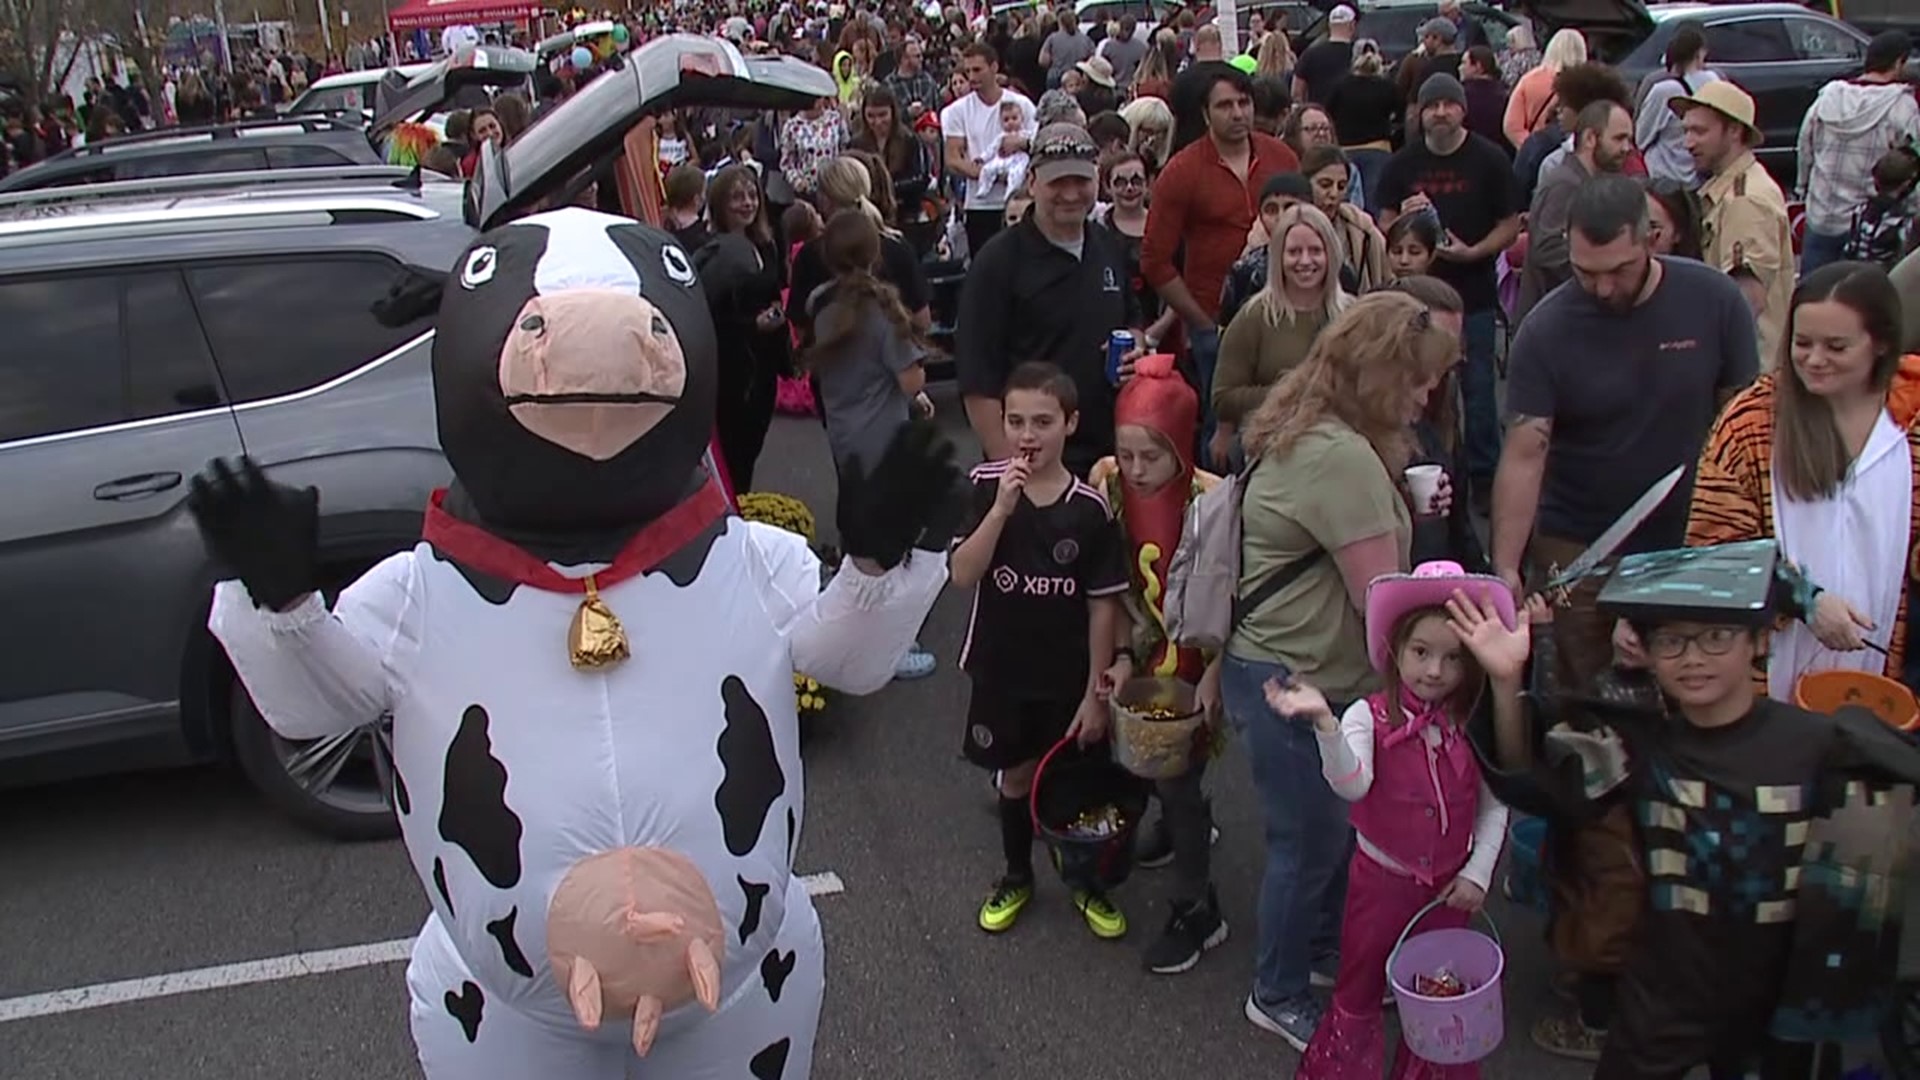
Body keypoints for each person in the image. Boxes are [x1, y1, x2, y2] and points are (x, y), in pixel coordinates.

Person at [196, 207, 956, 1079]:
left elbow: (850, 662)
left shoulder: (744, 559)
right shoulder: (423, 591)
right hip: (514, 1022)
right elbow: (311, 709)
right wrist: (283, 604)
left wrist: (877, 564)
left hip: (744, 1004)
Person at [1473, 539, 1920, 1079]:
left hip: (1775, 1007)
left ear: (1758, 641)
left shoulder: (1815, 744)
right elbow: (1537, 784)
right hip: (1663, 994)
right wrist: (1504, 683)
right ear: (1649, 651)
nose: (1693, 657)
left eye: (1716, 637)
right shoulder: (1638, 748)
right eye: (1674, 640)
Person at [1222, 291, 1459, 1048]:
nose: (1428, 395)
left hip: (1272, 664)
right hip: (1299, 679)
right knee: (1309, 844)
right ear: (1382, 373)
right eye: (1419, 379)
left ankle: (1320, 955)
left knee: (1321, 837)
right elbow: (1383, 607)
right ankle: (1279, 990)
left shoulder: (1314, 428)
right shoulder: (1345, 458)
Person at [1495, 174, 1758, 691]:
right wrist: (1505, 566)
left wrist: (1747, 540)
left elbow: (1742, 429)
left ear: (1651, 240)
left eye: (1619, 269)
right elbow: (1527, 453)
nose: (1603, 288)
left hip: (1690, 540)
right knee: (1584, 698)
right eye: (1584, 272)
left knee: (1692, 689)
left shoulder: (1714, 301)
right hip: (1579, 546)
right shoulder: (1546, 331)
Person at [1280, 561, 1521, 1080]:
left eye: (1453, 658)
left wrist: (1479, 872)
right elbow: (1353, 785)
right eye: (1421, 653)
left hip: (1449, 888)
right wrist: (1327, 724)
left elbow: (1495, 803)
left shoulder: (1471, 722)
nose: (1435, 671)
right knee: (1360, 983)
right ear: (1394, 651)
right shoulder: (1368, 714)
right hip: (1381, 882)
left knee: (1438, 987)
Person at [948, 362, 1131, 940]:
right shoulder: (983, 486)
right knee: (1015, 775)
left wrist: (1095, 692)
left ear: (1071, 424)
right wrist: (1002, 509)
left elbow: (1104, 605)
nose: (1028, 435)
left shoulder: (1089, 509)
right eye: (1016, 421)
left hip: (1066, 675)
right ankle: (1016, 873)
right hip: (1001, 669)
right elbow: (962, 573)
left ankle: (1082, 879)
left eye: (1043, 422)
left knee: (1073, 781)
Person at [1687, 260, 1920, 698]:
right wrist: (1805, 600)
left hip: (1877, 674)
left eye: (1836, 347)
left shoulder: (1911, 422)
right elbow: (1714, 552)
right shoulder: (1750, 424)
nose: (1814, 360)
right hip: (1766, 679)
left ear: (1882, 345)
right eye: (1803, 342)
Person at [1087, 355, 1229, 973]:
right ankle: (1180, 824)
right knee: (1148, 763)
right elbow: (1110, 580)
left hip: (1199, 656)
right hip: (1144, 646)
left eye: (1153, 456)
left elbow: (1236, 593)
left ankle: (1199, 908)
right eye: (1127, 453)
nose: (1137, 470)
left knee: (1174, 776)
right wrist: (1119, 654)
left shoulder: (1214, 499)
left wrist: (1219, 673)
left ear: (1182, 449)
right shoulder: (1109, 482)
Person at [956, 123, 1144, 475]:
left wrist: (1135, 345)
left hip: (1107, 454)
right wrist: (1008, 473)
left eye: (1081, 181)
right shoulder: (997, 263)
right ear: (1032, 182)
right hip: (1033, 464)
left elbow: (1132, 318)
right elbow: (977, 383)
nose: (1071, 194)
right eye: (1058, 182)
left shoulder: (1106, 244)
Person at [1376, 73, 1521, 510]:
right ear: (1419, 112)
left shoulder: (1490, 159)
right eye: (1431, 105)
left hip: (1472, 297)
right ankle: (1426, 477)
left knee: (1477, 395)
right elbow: (1382, 221)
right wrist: (1402, 221)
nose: (1439, 113)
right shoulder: (1402, 164)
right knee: (1418, 397)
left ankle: (1484, 485)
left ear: (1463, 110)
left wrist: (1473, 251)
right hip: (1412, 303)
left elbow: (1511, 226)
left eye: (1448, 104)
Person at [1143, 64, 1300, 460]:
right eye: (1225, 105)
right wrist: (1198, 320)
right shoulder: (1182, 170)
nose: (1237, 113)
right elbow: (1155, 259)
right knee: (1222, 431)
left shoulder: (1281, 156)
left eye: (1243, 102)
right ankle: (1218, 515)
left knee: (1289, 420)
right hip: (1216, 324)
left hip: (1285, 315)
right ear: (1205, 114)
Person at [1213, 204, 1351, 470]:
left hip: (1338, 453)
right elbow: (1223, 399)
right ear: (1278, 256)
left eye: (1315, 251)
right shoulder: (1254, 316)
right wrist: (1295, 392)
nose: (1305, 261)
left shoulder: (1352, 315)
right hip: (1271, 454)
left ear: (1330, 254)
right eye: (1294, 252)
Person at [1675, 80, 1792, 370]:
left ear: (1735, 131)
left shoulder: (1746, 200)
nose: (1689, 143)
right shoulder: (1725, 189)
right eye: (1686, 131)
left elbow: (1746, 300)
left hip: (1753, 368)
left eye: (1700, 131)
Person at [1796, 30, 1919, 275]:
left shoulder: (1827, 98)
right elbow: (1913, 164)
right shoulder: (1902, 108)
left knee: (1813, 293)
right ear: (1899, 62)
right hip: (1870, 228)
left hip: (1822, 215)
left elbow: (1805, 148)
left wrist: (1803, 189)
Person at [1516, 99, 1634, 323]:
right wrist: (1603, 267)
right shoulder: (1565, 185)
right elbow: (1548, 248)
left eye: (1629, 139)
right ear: (1590, 138)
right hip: (1551, 322)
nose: (1626, 148)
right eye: (1619, 139)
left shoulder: (1586, 182)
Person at [942, 42, 1037, 261]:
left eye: (977, 70)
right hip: (980, 204)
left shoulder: (1021, 104)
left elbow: (1037, 144)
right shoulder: (958, 111)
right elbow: (953, 158)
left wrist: (1021, 146)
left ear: (994, 67)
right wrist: (990, 173)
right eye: (967, 71)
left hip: (1019, 202)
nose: (972, 77)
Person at [1632, 21, 1715, 187]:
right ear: (1700, 54)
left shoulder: (1663, 90)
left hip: (1664, 179)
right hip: (1699, 180)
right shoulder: (1715, 82)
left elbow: (1641, 139)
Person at [1845, 146, 1920, 268]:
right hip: (1886, 280)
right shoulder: (1901, 222)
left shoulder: (1860, 211)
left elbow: (1850, 250)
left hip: (1857, 274)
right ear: (1906, 184)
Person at [1293, 4, 1357, 108]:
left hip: (1320, 118)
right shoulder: (1359, 54)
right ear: (1352, 25)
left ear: (1329, 25)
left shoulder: (1310, 54)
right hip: (1352, 119)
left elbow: (1297, 92)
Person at [1385, 212, 1441, 280]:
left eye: (1414, 252)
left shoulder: (1441, 290)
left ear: (1432, 256)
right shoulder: (1380, 290)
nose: (1404, 260)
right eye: (1397, 252)